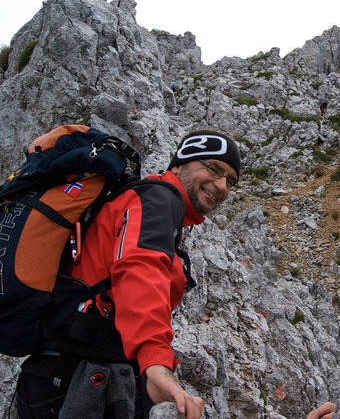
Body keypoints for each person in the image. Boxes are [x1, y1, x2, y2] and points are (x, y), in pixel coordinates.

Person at [15, 130, 241, 419]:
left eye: (230, 181)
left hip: (64, 372)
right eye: (212, 168)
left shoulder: (147, 201)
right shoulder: (158, 198)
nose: (221, 185)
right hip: (81, 379)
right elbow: (140, 272)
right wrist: (157, 364)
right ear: (178, 165)